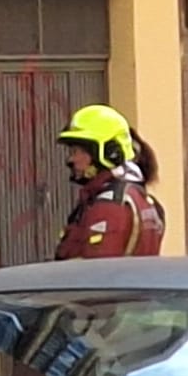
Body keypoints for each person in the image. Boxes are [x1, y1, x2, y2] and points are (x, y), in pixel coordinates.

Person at [55, 105, 165, 260]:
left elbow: (97, 274)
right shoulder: (144, 200)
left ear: (108, 153)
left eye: (77, 152)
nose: (71, 160)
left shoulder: (109, 207)